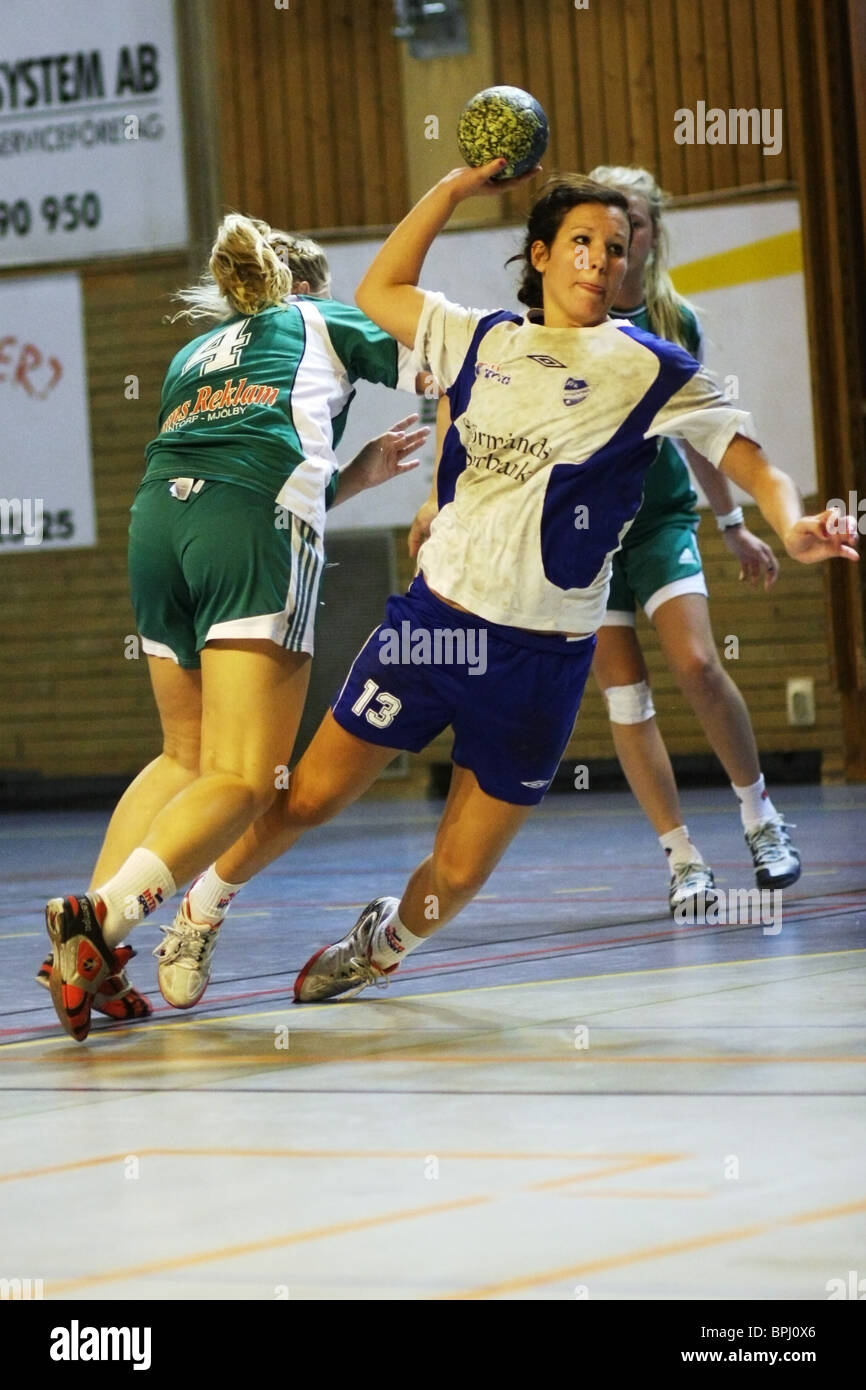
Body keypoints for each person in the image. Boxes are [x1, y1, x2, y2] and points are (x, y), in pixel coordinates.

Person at [172, 161, 856, 1008]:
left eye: (616, 246)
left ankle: (381, 944)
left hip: (543, 657)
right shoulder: (478, 337)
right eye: (581, 243)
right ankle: (201, 912)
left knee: (459, 873)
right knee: (307, 797)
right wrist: (456, 187)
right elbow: (384, 284)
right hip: (434, 627)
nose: (601, 261)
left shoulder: (651, 366)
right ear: (540, 253)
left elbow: (752, 462)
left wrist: (793, 525)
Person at [41, 216, 428, 1041]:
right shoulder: (321, 317)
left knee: (183, 755)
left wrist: (352, 477)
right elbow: (440, 359)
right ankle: (100, 919)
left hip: (159, 530)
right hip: (248, 531)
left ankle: (94, 961)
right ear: (310, 285)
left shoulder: (196, 354)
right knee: (248, 779)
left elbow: (235, 464)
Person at [579, 164, 801, 915]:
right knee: (627, 698)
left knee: (700, 665)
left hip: (660, 517)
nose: (619, 240)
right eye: (603, 230)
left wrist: (735, 523)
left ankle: (760, 817)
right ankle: (682, 859)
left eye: (632, 225)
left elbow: (707, 435)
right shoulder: (567, 318)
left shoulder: (675, 320)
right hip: (584, 536)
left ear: (652, 233)